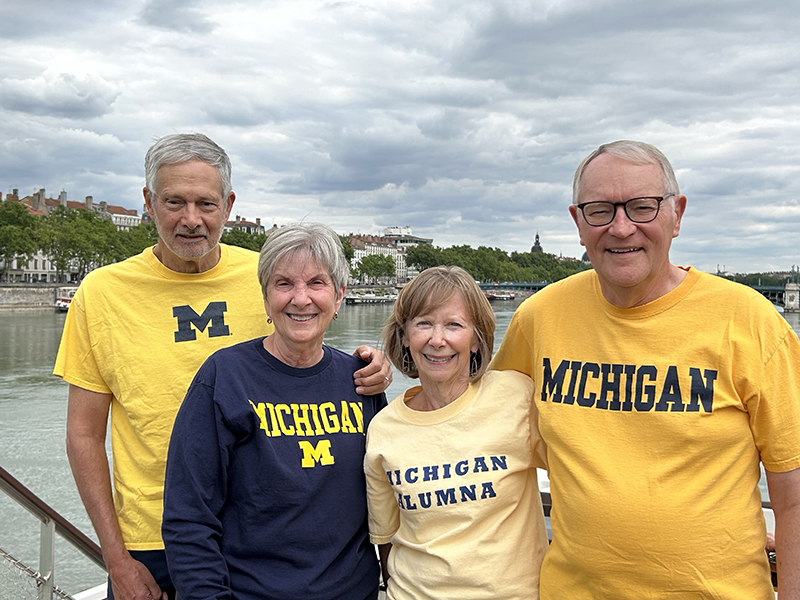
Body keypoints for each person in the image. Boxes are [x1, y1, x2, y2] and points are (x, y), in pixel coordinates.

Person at [53, 133, 391, 600]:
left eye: (206, 204)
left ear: (228, 205)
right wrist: (116, 558)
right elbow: (83, 435)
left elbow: (304, 353)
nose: (191, 220)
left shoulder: (267, 276)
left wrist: (373, 365)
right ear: (148, 202)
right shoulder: (102, 293)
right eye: (174, 202)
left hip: (248, 539)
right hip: (147, 538)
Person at [492, 140, 800, 599]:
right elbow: (474, 414)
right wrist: (377, 369)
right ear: (578, 223)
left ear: (676, 214)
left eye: (642, 207)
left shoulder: (752, 323)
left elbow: (792, 492)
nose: (621, 227)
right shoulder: (538, 318)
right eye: (599, 210)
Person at [162, 222, 386, 600]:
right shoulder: (225, 378)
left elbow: (385, 501)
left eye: (317, 283)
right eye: (284, 284)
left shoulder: (361, 381)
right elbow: (189, 516)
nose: (301, 299)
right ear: (265, 300)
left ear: (339, 297)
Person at [364, 266, 549, 599]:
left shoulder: (518, 397)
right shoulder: (383, 428)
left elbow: (579, 478)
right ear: (405, 336)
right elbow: (387, 540)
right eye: (423, 323)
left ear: (477, 339)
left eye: (454, 324)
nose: (438, 340)